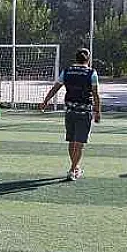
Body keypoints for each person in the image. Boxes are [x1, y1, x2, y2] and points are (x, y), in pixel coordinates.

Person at [40, 48, 101, 181]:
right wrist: (97, 111)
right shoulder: (92, 73)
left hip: (69, 111)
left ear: (76, 58)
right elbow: (95, 94)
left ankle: (75, 167)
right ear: (88, 60)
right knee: (79, 143)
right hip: (84, 111)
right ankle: (73, 170)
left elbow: (55, 88)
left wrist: (45, 101)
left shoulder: (66, 71)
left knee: (71, 140)